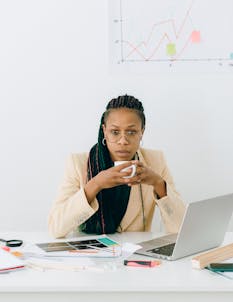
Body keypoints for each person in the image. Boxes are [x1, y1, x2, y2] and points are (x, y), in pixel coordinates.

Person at [48, 94, 185, 238]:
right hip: (91, 255)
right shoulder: (78, 163)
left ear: (142, 133)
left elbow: (181, 228)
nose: (123, 141)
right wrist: (95, 184)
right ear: (104, 131)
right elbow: (55, 228)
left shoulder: (155, 161)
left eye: (131, 132)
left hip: (136, 254)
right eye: (115, 132)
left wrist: (158, 183)